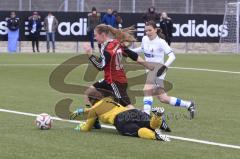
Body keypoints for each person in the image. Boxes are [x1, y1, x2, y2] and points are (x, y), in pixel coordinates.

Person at [131, 21, 196, 119]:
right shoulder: (144, 39)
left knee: (147, 89)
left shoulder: (161, 42)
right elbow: (143, 48)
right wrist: (129, 51)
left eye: (150, 30)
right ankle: (189, 104)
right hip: (149, 69)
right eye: (146, 31)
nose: (147, 32)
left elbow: (172, 56)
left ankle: (146, 115)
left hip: (159, 70)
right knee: (163, 98)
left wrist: (164, 67)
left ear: (155, 30)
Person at [83, 24, 154, 110]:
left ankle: (144, 120)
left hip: (115, 82)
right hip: (109, 80)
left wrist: (90, 55)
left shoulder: (107, 48)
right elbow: (133, 55)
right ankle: (91, 116)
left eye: (96, 35)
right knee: (89, 92)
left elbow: (100, 66)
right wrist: (148, 65)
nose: (95, 38)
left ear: (103, 35)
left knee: (127, 106)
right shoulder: (116, 43)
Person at [70, 96, 170, 142]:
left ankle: (156, 136)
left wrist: (79, 127)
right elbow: (95, 108)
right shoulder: (108, 100)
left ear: (91, 101)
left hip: (120, 119)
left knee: (137, 131)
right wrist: (82, 110)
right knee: (150, 124)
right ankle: (157, 116)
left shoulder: (94, 110)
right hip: (132, 112)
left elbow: (87, 127)